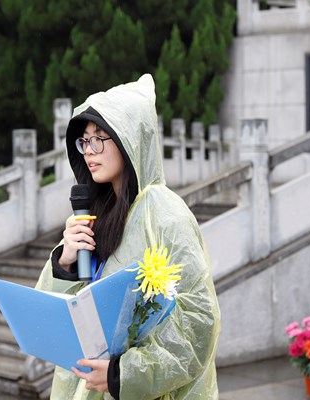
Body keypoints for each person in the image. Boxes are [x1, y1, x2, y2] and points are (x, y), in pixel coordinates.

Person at [34, 74, 221, 400]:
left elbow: (199, 319)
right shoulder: (91, 214)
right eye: (84, 142)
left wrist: (124, 373)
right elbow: (54, 310)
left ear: (129, 139)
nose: (89, 151)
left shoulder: (164, 214)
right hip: (85, 383)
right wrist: (64, 262)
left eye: (98, 139)